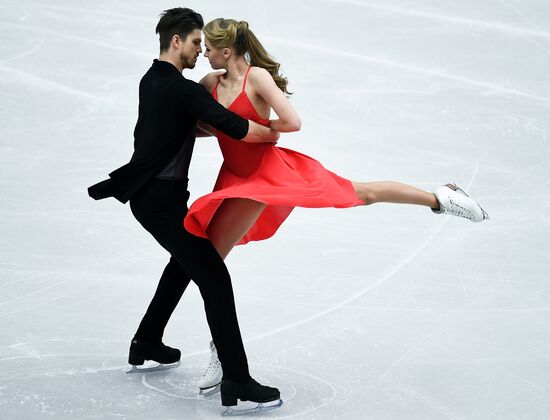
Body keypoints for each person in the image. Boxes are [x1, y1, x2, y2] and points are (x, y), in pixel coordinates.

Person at [185, 18, 490, 393]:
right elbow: (202, 124)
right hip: (232, 177)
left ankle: (441, 198)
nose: (204, 55)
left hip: (264, 178)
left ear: (226, 51)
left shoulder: (257, 78)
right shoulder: (209, 84)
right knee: (208, 264)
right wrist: (219, 128)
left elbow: (292, 122)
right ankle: (225, 350)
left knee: (360, 194)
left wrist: (255, 130)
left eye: (210, 49)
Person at [87, 8, 282, 414]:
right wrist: (273, 132)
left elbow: (179, 129)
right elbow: (234, 125)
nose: (200, 51)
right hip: (161, 203)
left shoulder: (152, 79)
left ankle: (147, 341)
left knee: (184, 264)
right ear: (176, 41)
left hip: (156, 199)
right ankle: (238, 380)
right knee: (214, 277)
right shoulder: (183, 89)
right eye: (196, 43)